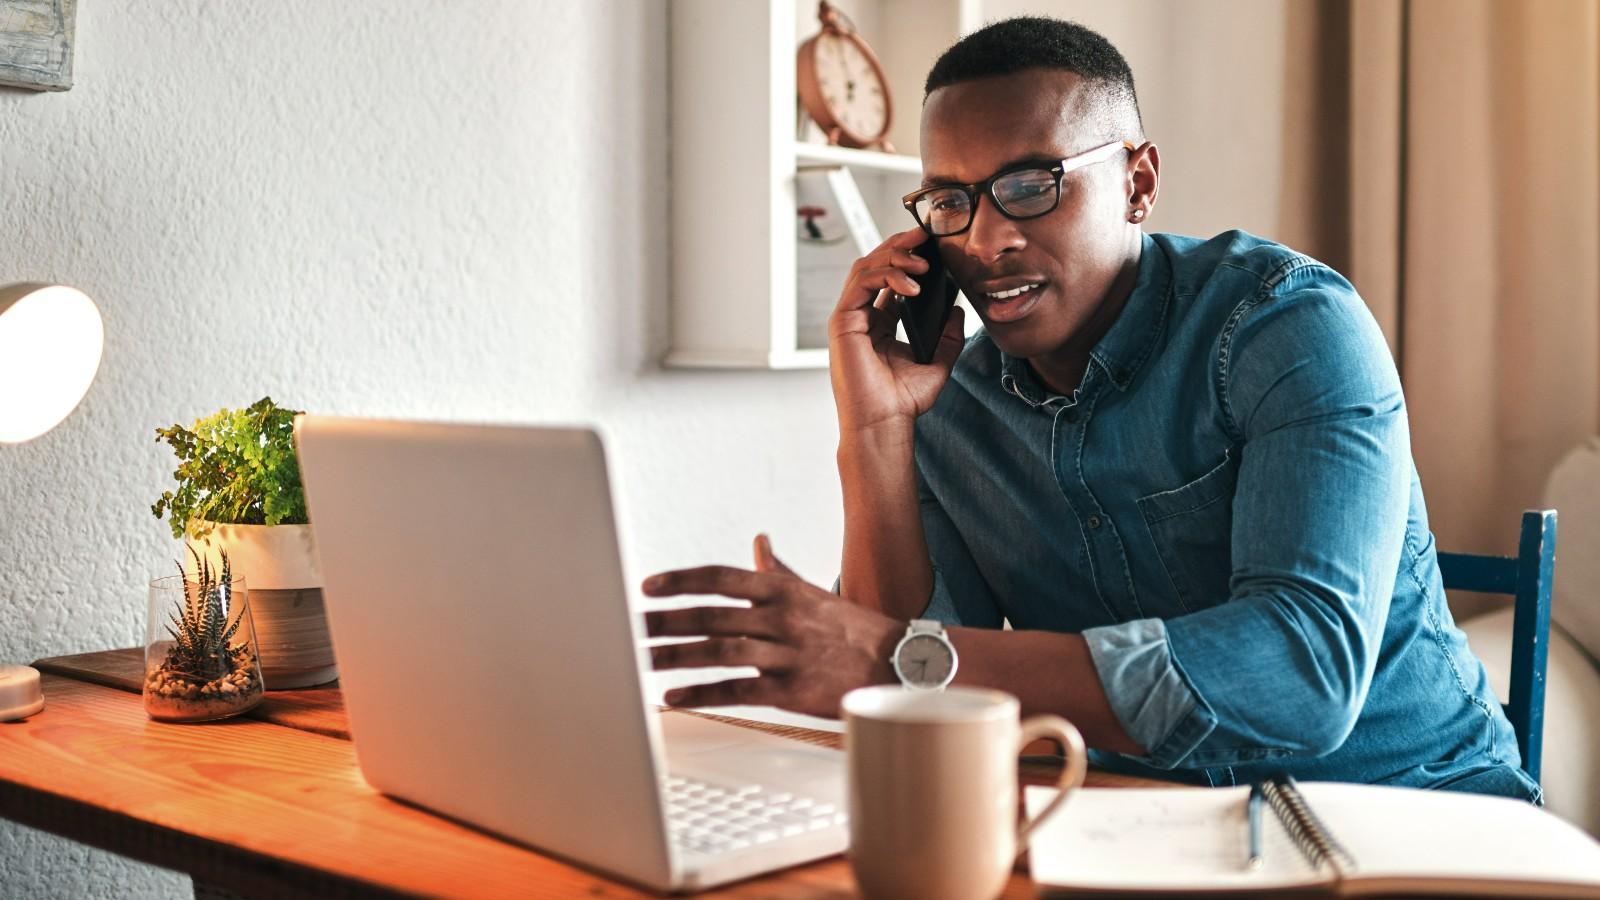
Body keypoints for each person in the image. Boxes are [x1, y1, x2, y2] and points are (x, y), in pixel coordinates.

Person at [642, 16, 1539, 800]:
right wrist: (872, 436)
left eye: (1033, 184)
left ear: (1139, 183)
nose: (987, 239)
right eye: (951, 202)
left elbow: (1302, 673)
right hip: (1129, 817)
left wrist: (891, 661)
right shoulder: (950, 399)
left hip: (1409, 811)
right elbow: (900, 696)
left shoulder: (1288, 326)